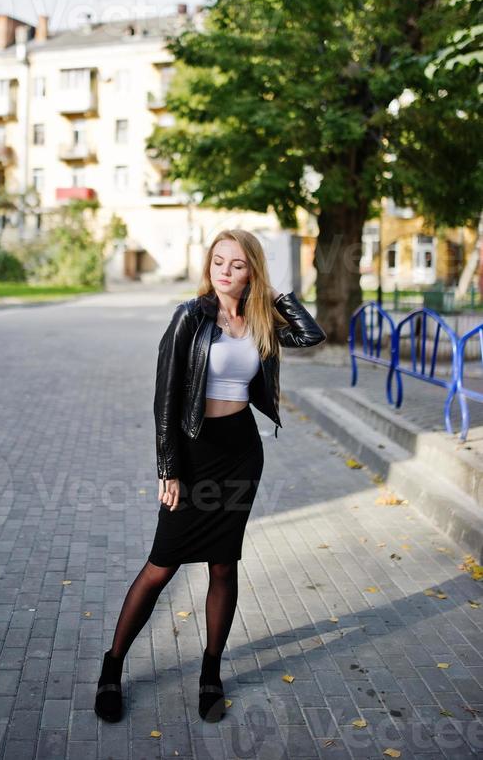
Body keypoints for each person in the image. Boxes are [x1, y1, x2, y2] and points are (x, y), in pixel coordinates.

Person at [94, 228, 326, 723]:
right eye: (218, 261)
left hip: (241, 452)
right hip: (194, 451)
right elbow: (165, 398)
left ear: (252, 271)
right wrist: (167, 468)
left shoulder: (260, 320)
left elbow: (311, 335)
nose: (224, 270)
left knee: (223, 565)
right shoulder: (189, 317)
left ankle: (210, 673)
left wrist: (275, 293)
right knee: (162, 565)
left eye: (238, 264)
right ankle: (112, 668)